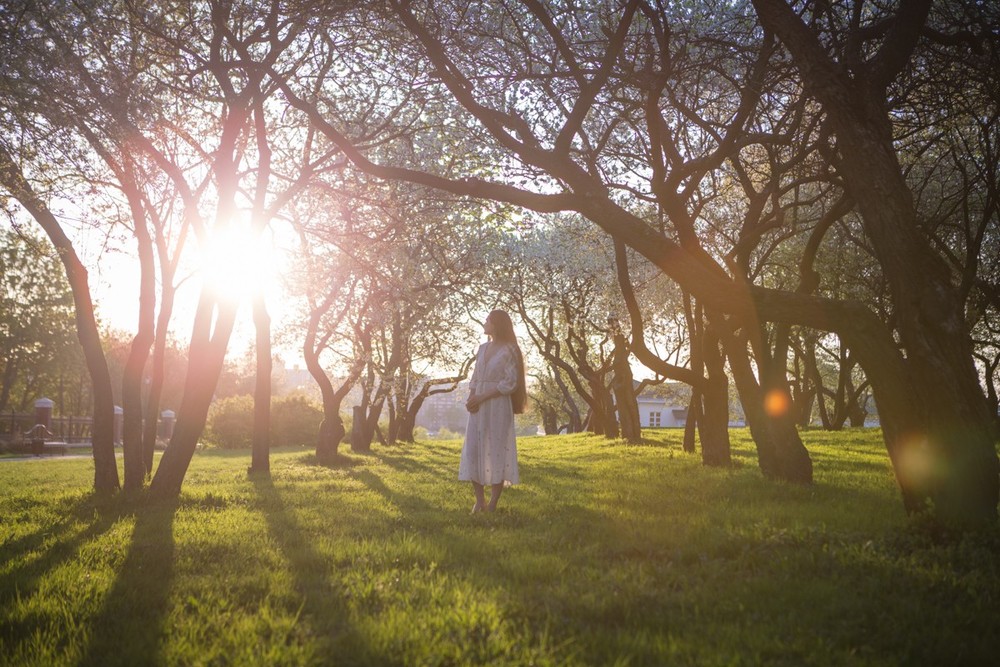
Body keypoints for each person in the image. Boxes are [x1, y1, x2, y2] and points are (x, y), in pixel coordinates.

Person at [459, 309, 527, 513]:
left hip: (497, 403)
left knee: (497, 449)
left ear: (496, 324)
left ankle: (492, 503)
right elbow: (475, 376)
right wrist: (472, 397)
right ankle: (479, 501)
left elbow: (511, 382)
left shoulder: (510, 349)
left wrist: (483, 396)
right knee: (473, 449)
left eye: (488, 320)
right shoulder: (482, 348)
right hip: (478, 404)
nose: (484, 323)